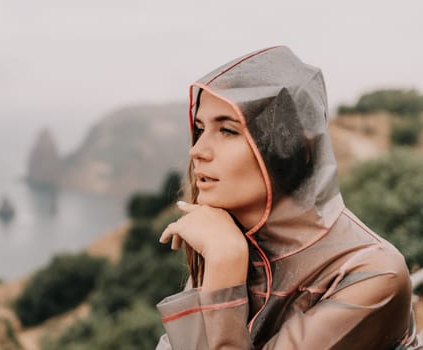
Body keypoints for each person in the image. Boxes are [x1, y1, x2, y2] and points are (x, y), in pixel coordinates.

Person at [156, 46, 421, 349]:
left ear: (290, 150)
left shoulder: (372, 273)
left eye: (228, 131)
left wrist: (226, 267)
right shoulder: (225, 239)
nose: (197, 150)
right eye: (200, 128)